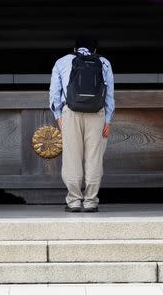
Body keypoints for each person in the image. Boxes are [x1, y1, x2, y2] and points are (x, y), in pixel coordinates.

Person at [49, 36, 115, 213]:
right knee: (94, 157)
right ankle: (91, 201)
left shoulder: (62, 62)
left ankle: (74, 201)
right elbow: (109, 95)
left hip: (70, 113)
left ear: (74, 48)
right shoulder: (104, 63)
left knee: (72, 158)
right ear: (95, 50)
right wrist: (108, 120)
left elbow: (54, 93)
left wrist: (58, 117)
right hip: (97, 114)